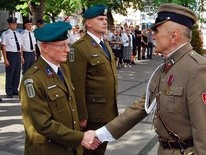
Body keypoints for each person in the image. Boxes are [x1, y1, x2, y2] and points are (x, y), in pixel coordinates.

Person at [94, 3, 206, 155]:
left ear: (174, 36)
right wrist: (100, 135)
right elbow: (142, 106)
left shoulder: (197, 69)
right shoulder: (166, 67)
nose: (152, 35)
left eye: (156, 31)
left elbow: (203, 131)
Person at [19, 21, 100, 155]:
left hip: (68, 147)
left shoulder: (64, 69)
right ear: (45, 47)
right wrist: (80, 137)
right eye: (62, 45)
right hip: (49, 150)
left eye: (67, 44)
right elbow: (43, 124)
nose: (68, 49)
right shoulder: (32, 80)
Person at [67, 4, 119, 155]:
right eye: (100, 19)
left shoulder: (104, 45)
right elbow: (77, 84)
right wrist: (82, 115)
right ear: (88, 23)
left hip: (107, 111)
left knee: (100, 150)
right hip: (92, 114)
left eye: (105, 19)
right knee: (89, 151)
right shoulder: (79, 48)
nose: (105, 22)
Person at [1, 17, 23, 98]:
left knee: (17, 73)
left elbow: (20, 46)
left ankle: (15, 89)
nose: (15, 25)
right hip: (10, 54)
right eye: (13, 24)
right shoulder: (5, 34)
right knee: (10, 73)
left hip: (17, 54)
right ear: (9, 25)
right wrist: (5, 59)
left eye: (15, 24)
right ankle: (9, 91)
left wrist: (21, 56)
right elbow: (3, 47)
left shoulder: (18, 34)